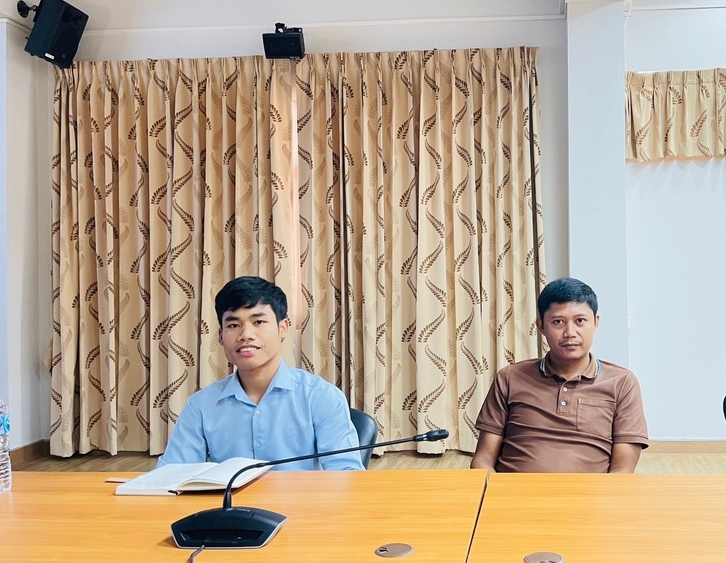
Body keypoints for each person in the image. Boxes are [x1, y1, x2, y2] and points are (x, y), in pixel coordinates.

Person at [157, 276, 364, 470]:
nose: (246, 335)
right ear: (220, 336)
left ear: (283, 328)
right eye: (233, 325)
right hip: (230, 499)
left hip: (301, 499)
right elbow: (171, 475)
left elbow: (346, 476)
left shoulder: (321, 397)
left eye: (258, 322)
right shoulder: (201, 406)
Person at [471, 277, 648, 473]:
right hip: (515, 491)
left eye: (580, 321)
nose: (570, 333)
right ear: (541, 326)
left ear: (596, 323)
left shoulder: (622, 383)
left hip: (590, 492)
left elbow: (623, 470)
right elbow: (483, 459)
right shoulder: (509, 378)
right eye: (558, 322)